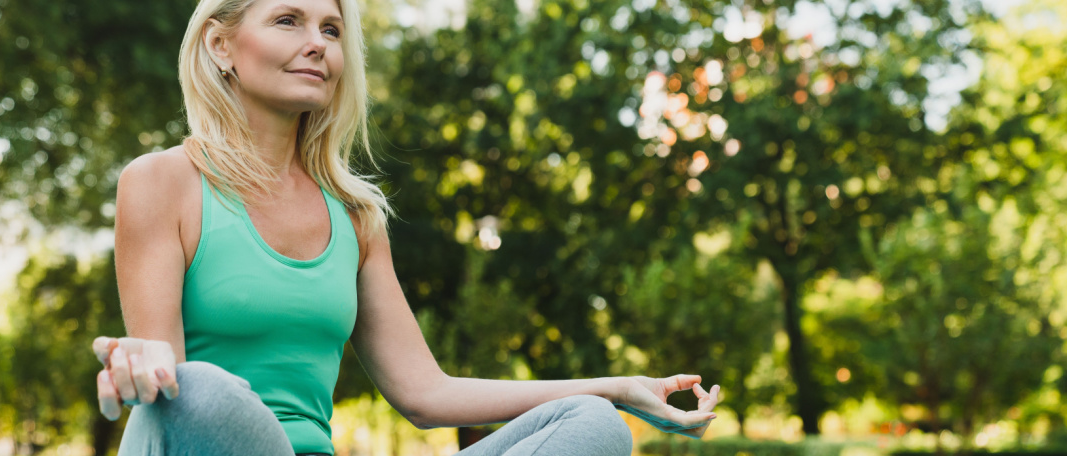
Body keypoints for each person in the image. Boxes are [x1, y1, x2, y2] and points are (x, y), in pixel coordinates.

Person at [90, 0, 724, 454]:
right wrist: (141, 362)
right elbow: (164, 382)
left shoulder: (355, 214)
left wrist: (617, 389)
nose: (318, 42)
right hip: (205, 438)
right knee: (200, 388)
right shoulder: (162, 182)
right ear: (219, 44)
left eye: (332, 29)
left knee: (592, 425)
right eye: (288, 20)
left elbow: (425, 393)